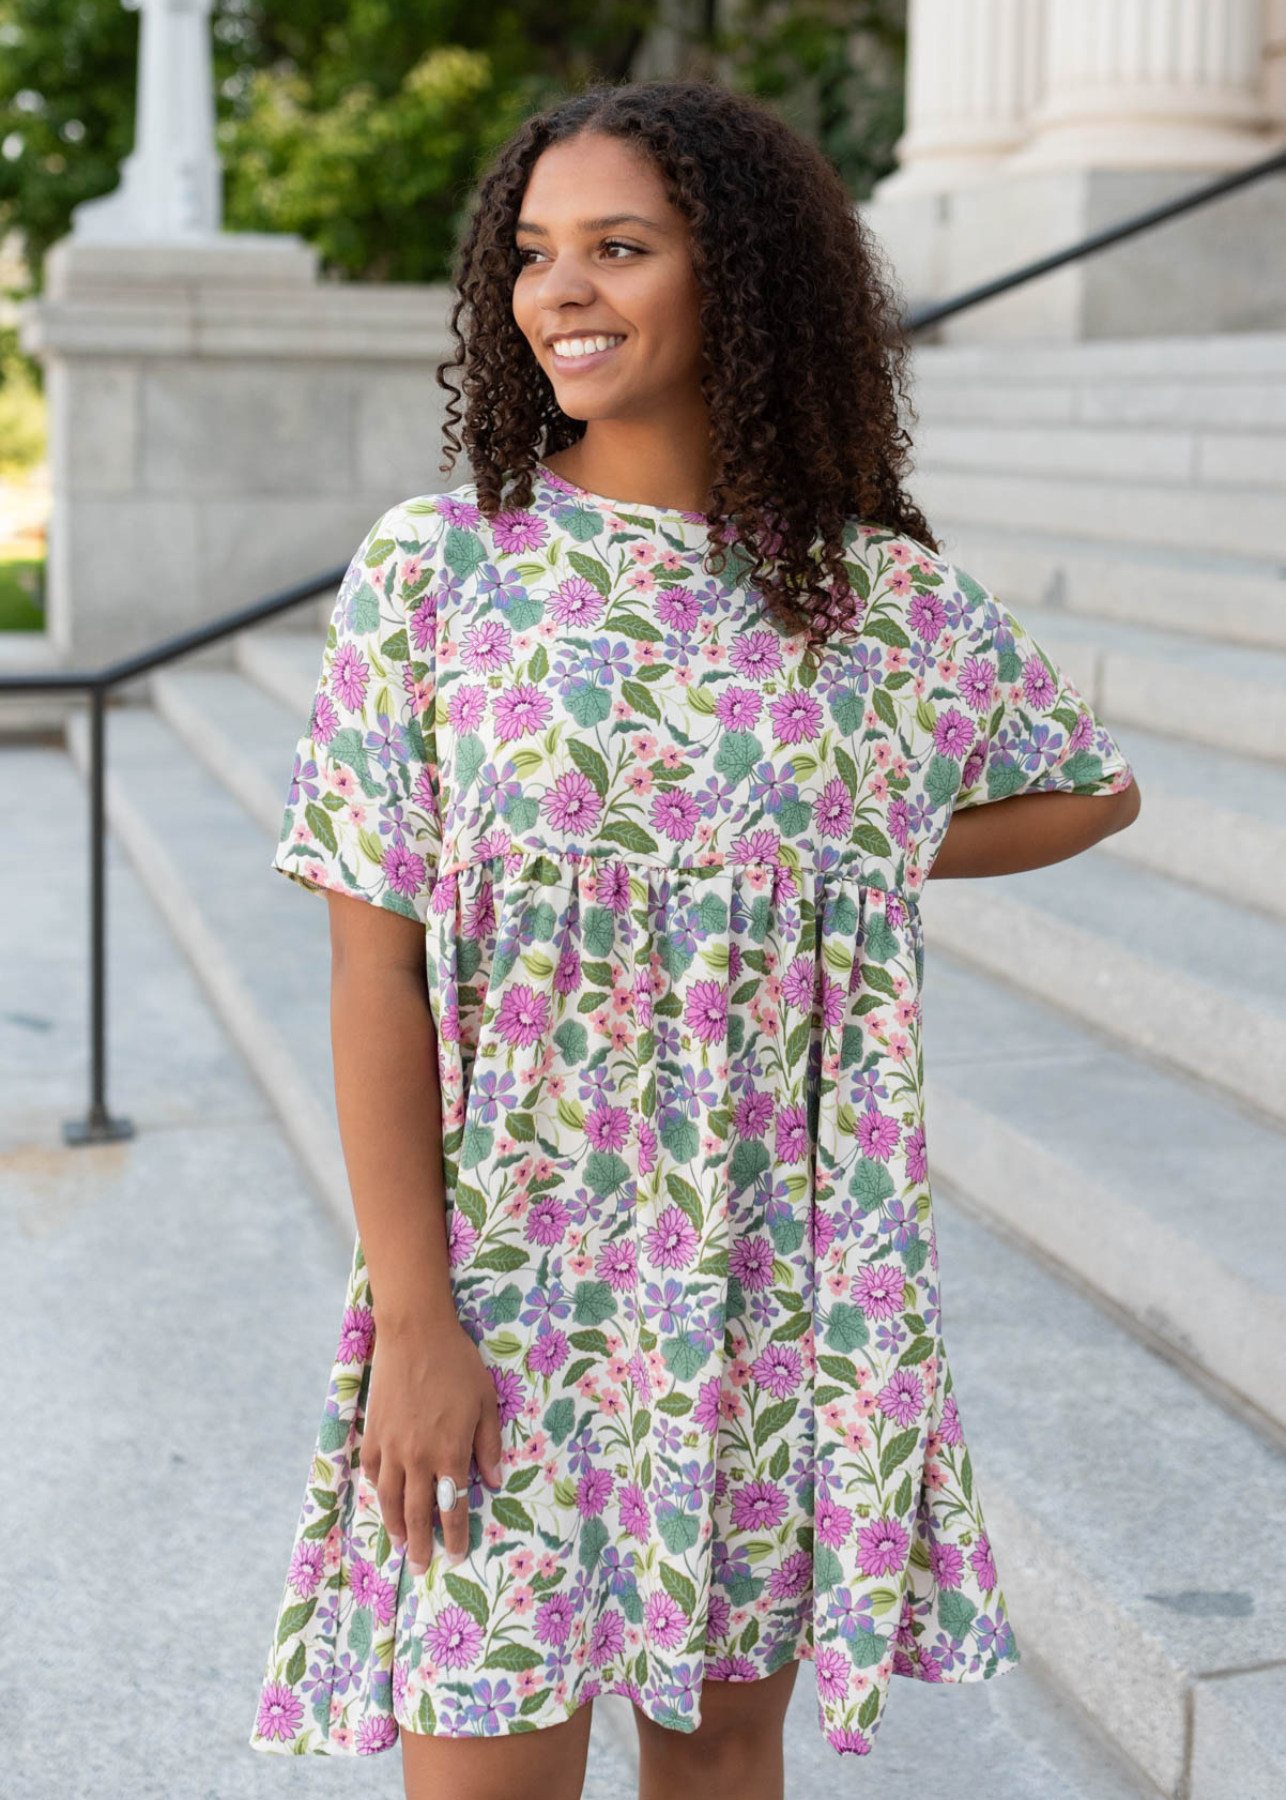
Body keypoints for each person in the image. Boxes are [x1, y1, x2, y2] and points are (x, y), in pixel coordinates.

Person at [248, 77, 1140, 1800]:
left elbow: (1084, 790)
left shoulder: (873, 597)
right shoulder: (440, 569)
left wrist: (845, 841)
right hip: (504, 1280)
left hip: (760, 1272)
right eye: (532, 255)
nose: (559, 291)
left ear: (737, 276)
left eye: (617, 248)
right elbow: (377, 968)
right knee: (482, 1751)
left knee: (723, 1757)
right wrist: (417, 1323)